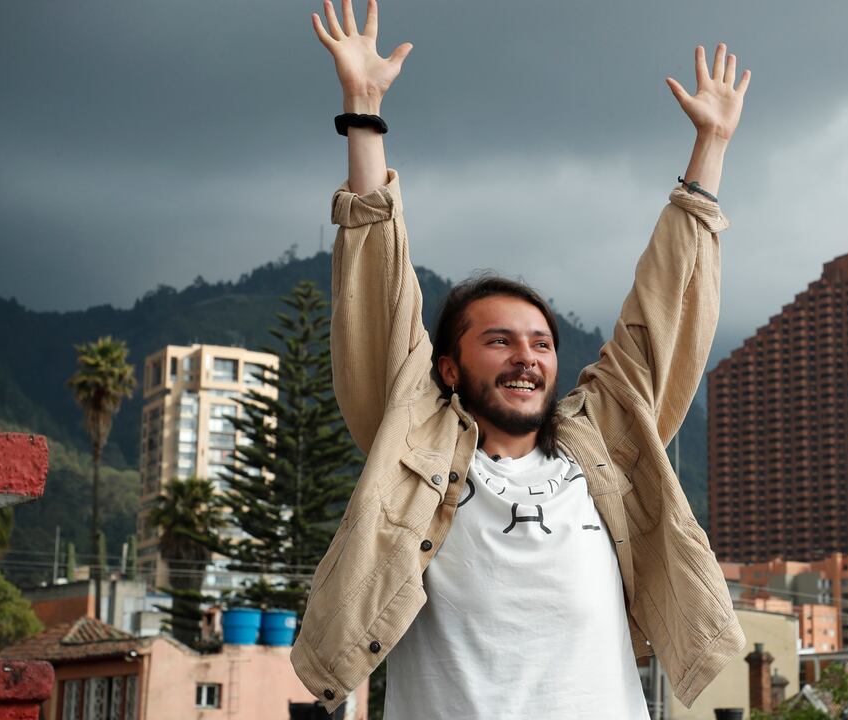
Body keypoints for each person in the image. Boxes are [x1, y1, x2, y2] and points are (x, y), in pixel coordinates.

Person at [292, 0, 751, 716]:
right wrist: (364, 109)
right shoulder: (414, 441)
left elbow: (663, 315)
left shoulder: (608, 443)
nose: (526, 357)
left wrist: (711, 150)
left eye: (540, 343)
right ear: (447, 367)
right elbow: (378, 292)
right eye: (498, 340)